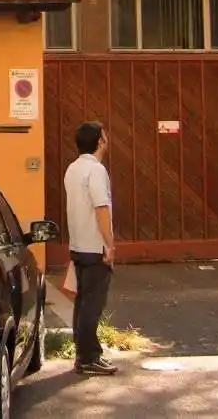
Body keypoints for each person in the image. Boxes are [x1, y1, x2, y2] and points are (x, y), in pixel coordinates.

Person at [64, 120, 118, 376]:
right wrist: (109, 243)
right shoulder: (96, 171)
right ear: (100, 141)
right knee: (92, 304)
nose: (107, 140)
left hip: (78, 245)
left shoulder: (72, 169)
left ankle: (82, 354)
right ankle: (89, 357)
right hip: (95, 246)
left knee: (82, 302)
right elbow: (101, 208)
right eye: (105, 136)